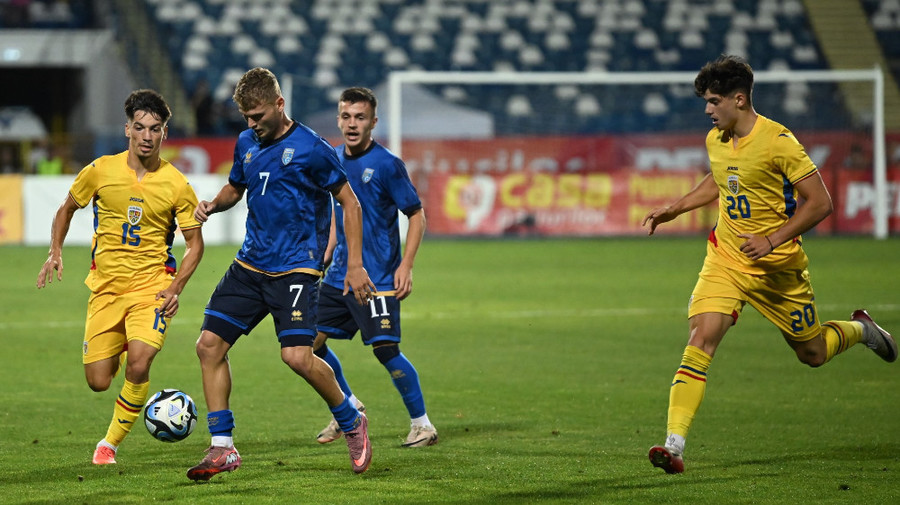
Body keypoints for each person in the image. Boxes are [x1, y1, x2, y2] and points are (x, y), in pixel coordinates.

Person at [641, 55, 896, 475]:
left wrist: (773, 238)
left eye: (714, 101)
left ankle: (861, 330)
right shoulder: (716, 140)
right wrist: (675, 208)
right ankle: (674, 445)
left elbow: (821, 203)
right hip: (726, 259)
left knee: (813, 353)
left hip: (778, 269)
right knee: (701, 339)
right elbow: (720, 181)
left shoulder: (779, 142)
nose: (708, 110)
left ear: (739, 100)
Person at [186, 68, 375, 481]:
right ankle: (222, 447)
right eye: (246, 117)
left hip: (296, 268)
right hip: (250, 264)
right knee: (208, 346)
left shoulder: (312, 148)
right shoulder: (246, 142)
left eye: (257, 116)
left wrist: (355, 264)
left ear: (279, 104)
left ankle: (350, 420)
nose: (251, 124)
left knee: (297, 358)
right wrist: (214, 204)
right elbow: (236, 187)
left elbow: (350, 202)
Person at [36, 89, 205, 465]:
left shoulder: (177, 184)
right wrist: (55, 250)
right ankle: (125, 342)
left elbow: (195, 244)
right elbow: (66, 209)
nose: (147, 136)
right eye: (140, 127)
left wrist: (176, 287)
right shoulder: (100, 170)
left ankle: (108, 445)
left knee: (140, 363)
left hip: (152, 287)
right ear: (127, 129)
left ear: (164, 133)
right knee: (98, 381)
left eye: (155, 129)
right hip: (106, 289)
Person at [312, 87, 437, 448]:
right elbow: (338, 212)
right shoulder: (333, 159)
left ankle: (422, 425)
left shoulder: (386, 164)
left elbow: (416, 214)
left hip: (378, 277)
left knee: (385, 350)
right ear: (338, 120)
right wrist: (327, 251)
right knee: (308, 345)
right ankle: (348, 406)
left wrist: (406, 265)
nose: (352, 124)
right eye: (346, 116)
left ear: (373, 122)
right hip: (339, 275)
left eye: (360, 117)